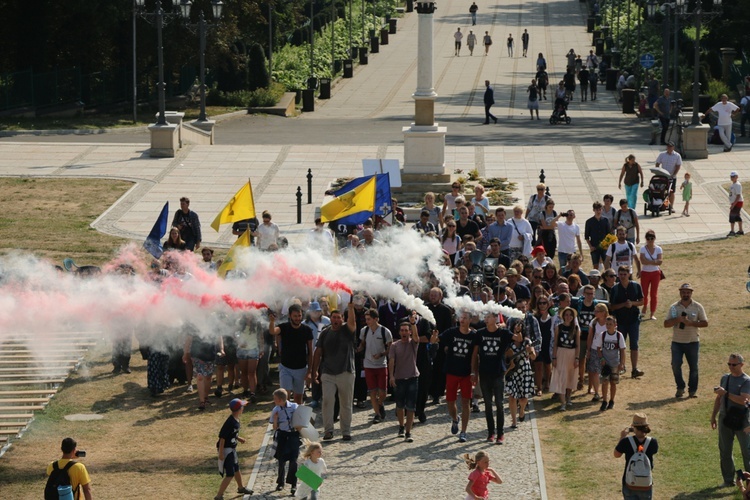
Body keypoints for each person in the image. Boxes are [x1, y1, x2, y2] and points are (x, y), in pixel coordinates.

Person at [312, 300, 357, 441]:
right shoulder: (325, 333)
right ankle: (328, 431)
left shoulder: (347, 330)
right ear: (330, 319)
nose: (336, 320)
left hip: (346, 371)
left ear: (342, 319)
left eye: (339, 317)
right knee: (327, 402)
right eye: (334, 317)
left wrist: (350, 309)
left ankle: (346, 431)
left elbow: (352, 321)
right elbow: (318, 352)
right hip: (328, 372)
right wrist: (314, 371)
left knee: (345, 403)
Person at [474, 311, 514, 444]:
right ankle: (491, 432)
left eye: (488, 317)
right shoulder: (480, 333)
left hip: (498, 372)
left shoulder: (503, 333)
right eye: (484, 316)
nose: (485, 319)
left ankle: (500, 433)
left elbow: (517, 338)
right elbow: (475, 353)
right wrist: (473, 372)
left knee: (499, 404)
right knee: (488, 405)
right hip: (484, 372)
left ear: (495, 318)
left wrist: (519, 331)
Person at [711, 353, 750, 487]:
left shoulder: (746, 381)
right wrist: (713, 416)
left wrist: (726, 393)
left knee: (747, 450)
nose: (731, 367)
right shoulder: (725, 378)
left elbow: (744, 399)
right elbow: (718, 399)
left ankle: (749, 480)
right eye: (729, 364)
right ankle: (728, 480)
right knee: (725, 450)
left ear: (742, 365)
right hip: (725, 418)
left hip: (742, 420)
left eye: (734, 364)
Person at [439, 310, 478, 443]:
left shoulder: (474, 336)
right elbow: (437, 339)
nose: (462, 320)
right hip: (452, 371)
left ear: (470, 320)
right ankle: (455, 419)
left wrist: (474, 372)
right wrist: (433, 338)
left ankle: (463, 431)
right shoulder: (451, 332)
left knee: (466, 402)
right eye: (461, 317)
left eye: (465, 318)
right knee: (450, 402)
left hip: (466, 373)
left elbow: (475, 356)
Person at [664, 283, 708, 399]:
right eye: (683, 292)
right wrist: (677, 320)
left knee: (694, 367)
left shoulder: (698, 306)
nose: (686, 294)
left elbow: (705, 323)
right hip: (677, 342)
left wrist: (691, 323)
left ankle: (692, 390)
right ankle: (680, 387)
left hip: (693, 341)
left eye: (688, 292)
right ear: (680, 293)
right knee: (675, 365)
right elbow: (666, 324)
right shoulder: (674, 307)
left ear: (691, 293)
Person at [389, 316, 428, 442]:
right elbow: (391, 361)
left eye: (407, 330)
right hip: (400, 378)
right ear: (400, 332)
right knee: (400, 405)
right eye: (402, 330)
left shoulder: (413, 343)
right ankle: (401, 425)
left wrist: (413, 323)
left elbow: (416, 337)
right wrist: (391, 376)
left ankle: (408, 432)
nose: (405, 332)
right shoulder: (395, 345)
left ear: (409, 331)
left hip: (412, 377)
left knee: (411, 407)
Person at [269, 304, 314, 405]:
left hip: (301, 368)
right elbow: (272, 331)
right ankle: (286, 418)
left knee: (298, 398)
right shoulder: (283, 327)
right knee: (286, 396)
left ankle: (297, 419)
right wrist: (272, 322)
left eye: (299, 316)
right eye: (295, 316)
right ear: (290, 316)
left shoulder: (306, 330)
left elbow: (310, 352)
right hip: (286, 367)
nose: (298, 318)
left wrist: (309, 371)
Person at [357, 308, 393, 424]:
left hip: (381, 364)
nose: (367, 321)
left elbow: (390, 348)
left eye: (369, 319)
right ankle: (377, 414)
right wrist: (358, 350)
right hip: (368, 364)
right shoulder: (364, 331)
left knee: (383, 392)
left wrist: (381, 354)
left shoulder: (385, 331)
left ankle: (380, 403)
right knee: (372, 392)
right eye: (366, 319)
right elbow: (362, 344)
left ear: (376, 319)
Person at [609, 265, 644, 379]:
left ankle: (634, 369)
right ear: (618, 275)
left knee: (634, 345)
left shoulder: (635, 286)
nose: (623, 276)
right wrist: (624, 304)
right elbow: (612, 307)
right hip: (620, 321)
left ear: (629, 274)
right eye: (621, 274)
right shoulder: (615, 289)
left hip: (633, 320)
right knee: (620, 346)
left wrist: (632, 303)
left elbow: (642, 301)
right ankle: (619, 367)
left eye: (625, 274)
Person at [614, 413, 659, 500]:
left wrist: (622, 437)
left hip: (630, 482)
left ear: (634, 427)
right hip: (646, 482)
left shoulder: (626, 442)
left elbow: (616, 455)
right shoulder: (653, 442)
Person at [215, 399, 253, 500]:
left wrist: (238, 438)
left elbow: (232, 433)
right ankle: (219, 495)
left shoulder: (236, 419)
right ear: (239, 409)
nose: (243, 408)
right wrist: (221, 453)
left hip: (232, 449)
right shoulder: (230, 422)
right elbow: (222, 438)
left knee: (236, 469)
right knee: (230, 474)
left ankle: (241, 488)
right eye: (242, 407)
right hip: (227, 450)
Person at [505, 318, 536, 427]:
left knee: (523, 398)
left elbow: (533, 357)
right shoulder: (508, 342)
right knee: (512, 397)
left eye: (519, 328)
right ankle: (514, 421)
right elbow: (505, 357)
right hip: (513, 371)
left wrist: (530, 351)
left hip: (525, 370)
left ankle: (522, 410)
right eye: (515, 328)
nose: (517, 330)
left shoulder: (527, 341)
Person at [270, 389, 300, 495]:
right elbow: (274, 427)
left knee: (294, 461)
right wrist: (275, 419)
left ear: (281, 399)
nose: (274, 401)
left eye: (275, 399)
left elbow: (301, 419)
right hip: (282, 436)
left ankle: (293, 484)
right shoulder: (276, 410)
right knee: (281, 461)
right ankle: (280, 482)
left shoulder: (294, 406)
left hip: (293, 436)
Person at [593, 315, 626, 411]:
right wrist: (601, 359)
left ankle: (612, 400)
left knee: (613, 383)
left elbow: (622, 350)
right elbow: (598, 348)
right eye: (607, 324)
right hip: (605, 364)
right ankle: (604, 401)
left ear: (615, 325)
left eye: (610, 324)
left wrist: (622, 363)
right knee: (604, 382)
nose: (608, 326)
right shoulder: (603, 335)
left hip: (615, 363)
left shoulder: (619, 335)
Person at [550, 307, 580, 411]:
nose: (568, 317)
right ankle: (562, 402)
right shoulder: (558, 327)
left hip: (571, 354)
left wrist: (577, 358)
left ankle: (568, 397)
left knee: (570, 376)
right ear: (563, 316)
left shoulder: (576, 328)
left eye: (570, 315)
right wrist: (554, 357)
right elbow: (555, 344)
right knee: (561, 376)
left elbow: (577, 345)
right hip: (561, 353)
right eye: (566, 315)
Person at [639, 230, 662, 321]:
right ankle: (644, 307)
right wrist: (654, 262)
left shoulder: (658, 249)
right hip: (645, 273)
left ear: (654, 238)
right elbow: (642, 261)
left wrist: (649, 262)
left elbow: (660, 262)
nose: (650, 240)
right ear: (646, 239)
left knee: (654, 294)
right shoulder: (643, 249)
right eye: (648, 238)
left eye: (652, 238)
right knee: (644, 293)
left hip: (655, 273)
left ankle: (652, 313)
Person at [654, 142, 682, 208]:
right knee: (661, 190)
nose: (669, 148)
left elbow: (678, 166)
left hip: (672, 176)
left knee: (671, 191)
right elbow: (657, 163)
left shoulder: (677, 155)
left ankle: (671, 206)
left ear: (673, 147)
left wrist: (674, 174)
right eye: (668, 146)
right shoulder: (662, 154)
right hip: (663, 176)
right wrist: (658, 171)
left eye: (671, 147)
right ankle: (661, 204)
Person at [585, 201, 611, 269]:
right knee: (595, 265)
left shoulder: (605, 220)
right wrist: (590, 246)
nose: (598, 211)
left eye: (600, 209)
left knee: (607, 265)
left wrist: (607, 245)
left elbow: (609, 234)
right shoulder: (589, 222)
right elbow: (587, 236)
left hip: (604, 247)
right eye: (597, 209)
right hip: (594, 246)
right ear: (594, 210)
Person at [729, 171, 744, 236]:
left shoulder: (737, 185)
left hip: (737, 202)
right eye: (731, 176)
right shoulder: (733, 184)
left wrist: (733, 205)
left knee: (732, 216)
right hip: (735, 202)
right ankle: (741, 230)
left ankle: (732, 231)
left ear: (737, 177)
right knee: (737, 216)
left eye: (733, 176)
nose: (732, 178)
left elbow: (738, 196)